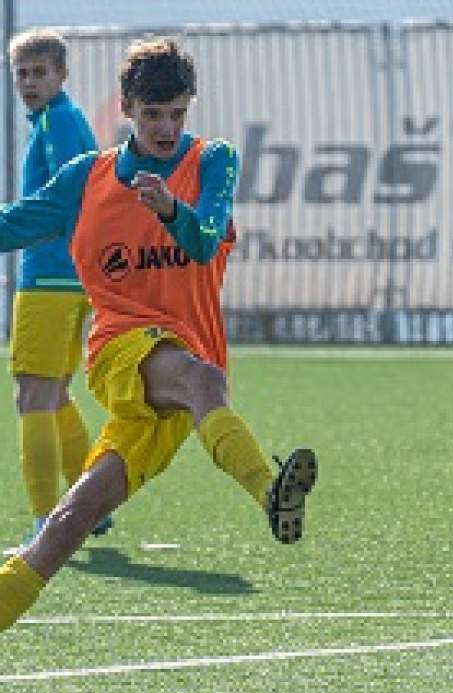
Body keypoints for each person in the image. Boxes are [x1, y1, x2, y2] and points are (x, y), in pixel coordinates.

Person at [0, 37, 317, 632]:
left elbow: (202, 241)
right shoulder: (87, 179)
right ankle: (270, 492)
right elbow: (13, 225)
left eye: (177, 112)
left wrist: (171, 207)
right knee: (204, 378)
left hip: (177, 382)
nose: (167, 127)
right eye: (153, 114)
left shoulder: (213, 161)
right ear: (126, 108)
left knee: (68, 525)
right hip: (123, 350)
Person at [6, 28, 111, 546]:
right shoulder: (55, 119)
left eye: (39, 73)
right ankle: (89, 503)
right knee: (53, 392)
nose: (28, 82)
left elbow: (66, 199)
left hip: (50, 275)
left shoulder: (61, 121)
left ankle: (49, 519)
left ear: (61, 75)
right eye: (20, 74)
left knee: (31, 394)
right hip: (66, 276)